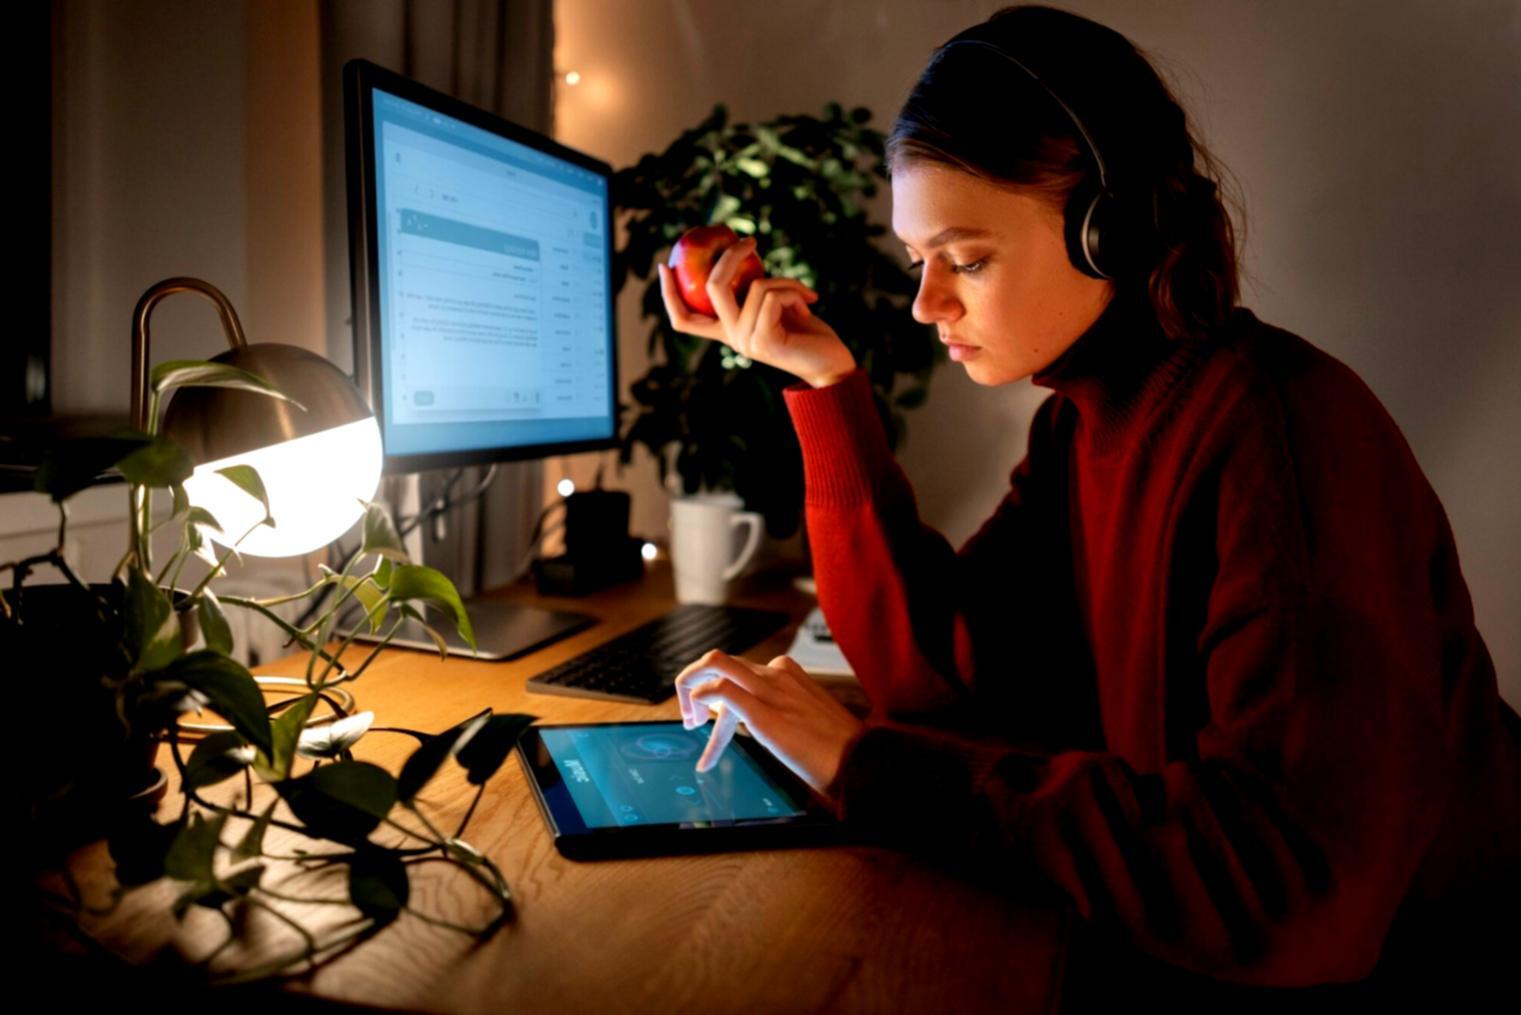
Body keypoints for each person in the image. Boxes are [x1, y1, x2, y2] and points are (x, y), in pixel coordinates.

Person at [655, 4, 1521, 1008]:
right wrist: (825, 385)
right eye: (918, 261)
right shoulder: (1080, 427)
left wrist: (872, 767)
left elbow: (1288, 882)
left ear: (1111, 232)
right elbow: (935, 672)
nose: (927, 304)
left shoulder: (1281, 433)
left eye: (966, 258)